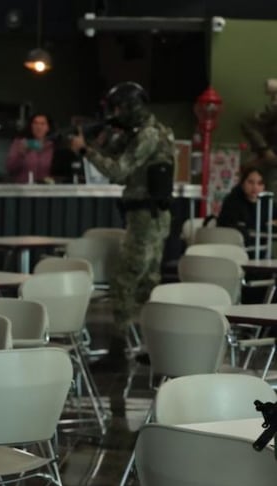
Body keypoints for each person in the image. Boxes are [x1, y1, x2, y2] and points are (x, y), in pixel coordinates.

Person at [70, 81, 175, 354]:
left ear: (130, 107)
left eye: (118, 107)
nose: (116, 113)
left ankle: (120, 347)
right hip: (152, 216)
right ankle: (150, 346)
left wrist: (85, 150)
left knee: (125, 280)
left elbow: (118, 171)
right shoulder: (154, 131)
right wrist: (103, 138)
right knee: (147, 282)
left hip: (145, 217)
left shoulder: (148, 134)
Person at [217, 165, 266, 246]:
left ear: (264, 187)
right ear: (242, 183)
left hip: (260, 248)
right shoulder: (233, 201)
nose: (255, 187)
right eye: (250, 182)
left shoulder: (266, 201)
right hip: (234, 248)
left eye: (260, 183)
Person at [6, 112, 55, 183]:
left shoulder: (53, 146)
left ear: (48, 127)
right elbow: (10, 168)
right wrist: (21, 153)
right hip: (23, 189)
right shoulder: (19, 143)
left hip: (46, 190)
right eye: (35, 123)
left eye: (43, 124)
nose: (39, 127)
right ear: (31, 126)